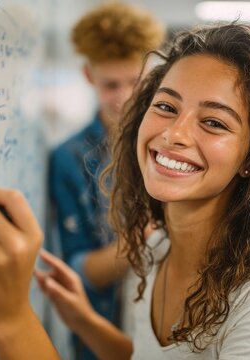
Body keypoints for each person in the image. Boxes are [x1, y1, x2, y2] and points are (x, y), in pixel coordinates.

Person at [0, 23, 250, 359]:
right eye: (165, 107)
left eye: (213, 122)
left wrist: (10, 317)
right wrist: (84, 321)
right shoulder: (158, 249)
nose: (174, 134)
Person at [48, 3, 164, 359]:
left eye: (136, 82)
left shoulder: (173, 142)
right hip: (104, 334)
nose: (126, 97)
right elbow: (79, 272)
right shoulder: (68, 159)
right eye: (111, 85)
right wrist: (143, 239)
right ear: (88, 75)